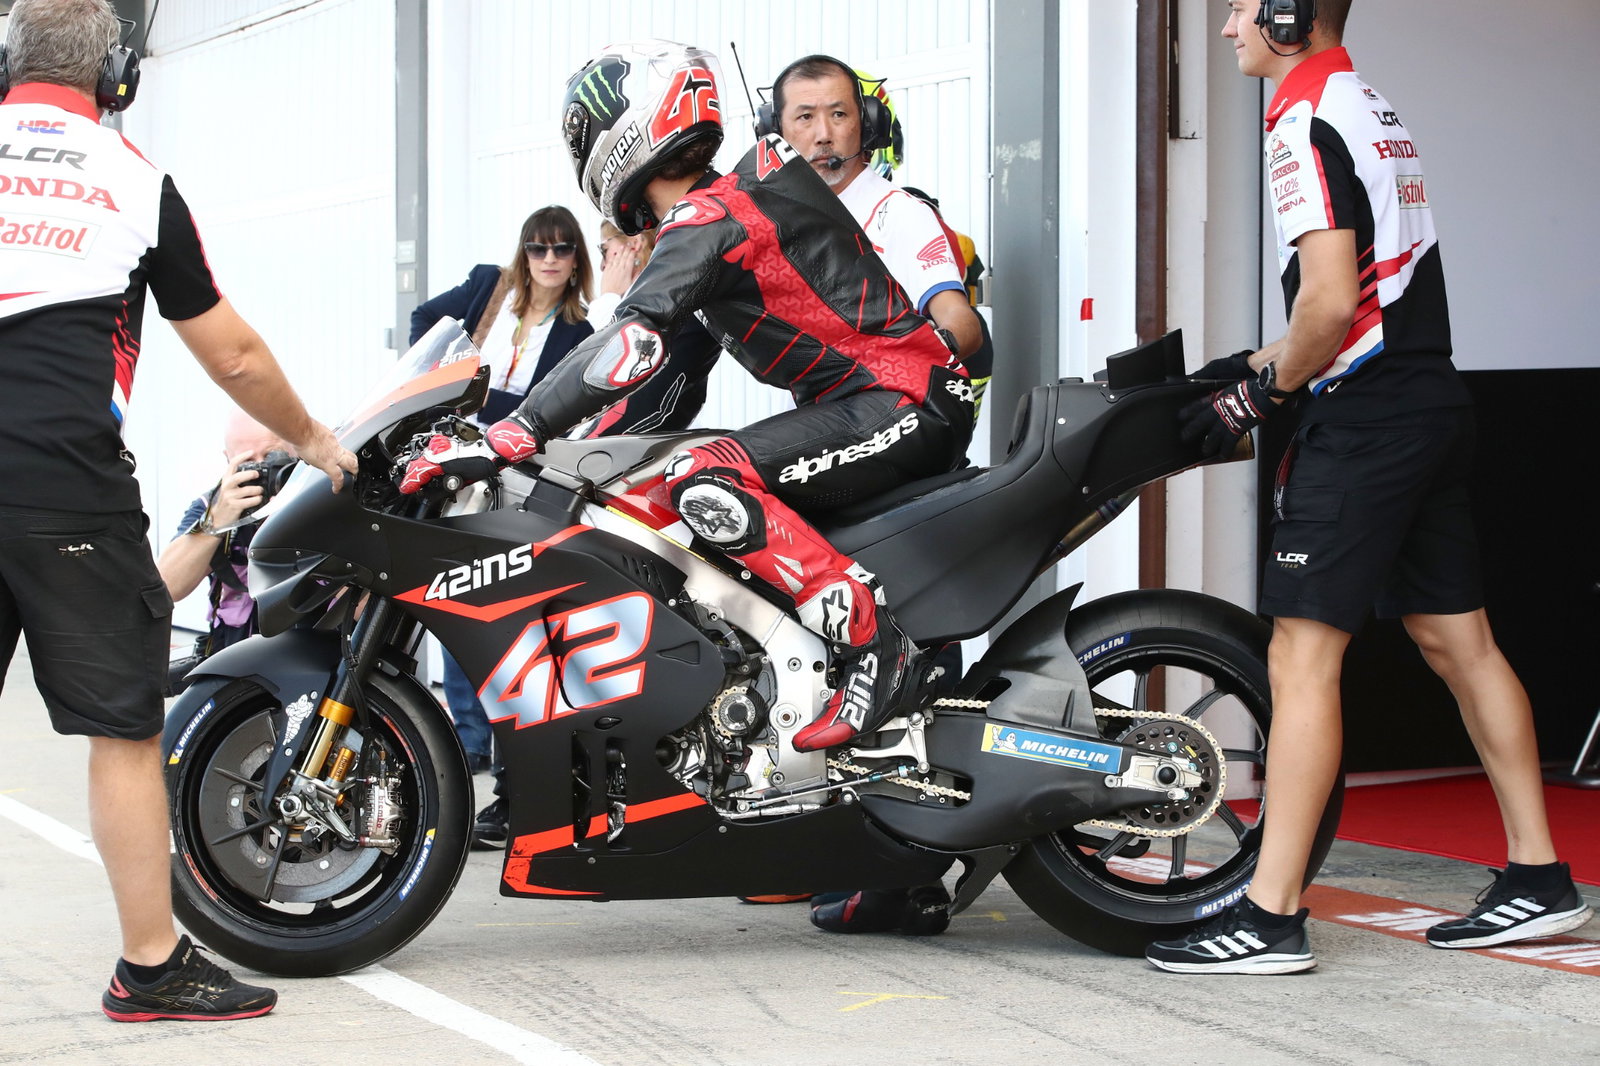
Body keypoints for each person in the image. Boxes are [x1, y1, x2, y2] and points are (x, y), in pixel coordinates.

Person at [1146, 0, 1592, 974]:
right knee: (1457, 638)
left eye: (1240, 9)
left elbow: (1331, 302)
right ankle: (1537, 876)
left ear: (1286, 15)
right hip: (1428, 399)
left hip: (1368, 422)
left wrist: (1261, 391)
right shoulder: (1365, 101)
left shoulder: (1301, 117)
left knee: (1301, 657)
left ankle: (1268, 915)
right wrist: (1250, 365)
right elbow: (1361, 303)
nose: (1226, 27)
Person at [399, 39, 974, 761]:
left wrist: (509, 435)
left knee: (704, 477)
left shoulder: (711, 217)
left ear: (623, 133)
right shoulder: (735, 204)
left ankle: (872, 643)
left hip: (903, 401)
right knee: (667, 486)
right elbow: (669, 377)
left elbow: (630, 343)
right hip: (881, 404)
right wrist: (567, 464)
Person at [0, 0, 356, 1020]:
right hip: (67, 485)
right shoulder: (133, 180)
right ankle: (150, 967)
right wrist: (318, 440)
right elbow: (232, 353)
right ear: (115, 72)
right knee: (122, 731)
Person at [745, 58, 994, 927]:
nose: (822, 134)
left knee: (907, 642)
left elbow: (959, 320)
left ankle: (905, 874)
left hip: (901, 440)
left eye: (839, 116)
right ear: (779, 131)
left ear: (865, 124)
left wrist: (929, 362)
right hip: (846, 438)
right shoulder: (778, 217)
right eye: (805, 117)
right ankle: (815, 829)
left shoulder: (893, 210)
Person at [408, 206, 595, 835]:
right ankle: (467, 750)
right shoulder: (488, 288)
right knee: (447, 609)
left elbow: (553, 409)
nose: (549, 260)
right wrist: (444, 383)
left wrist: (483, 394)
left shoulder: (579, 332)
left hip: (515, 485)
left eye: (562, 250)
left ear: (576, 262)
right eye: (539, 248)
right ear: (524, 251)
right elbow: (421, 326)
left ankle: (514, 773)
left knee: (505, 620)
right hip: (455, 474)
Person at [155, 412, 295, 687]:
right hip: (234, 661)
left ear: (296, 448)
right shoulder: (213, 507)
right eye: (246, 461)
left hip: (316, 657)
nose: (260, 470)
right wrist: (218, 520)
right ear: (227, 461)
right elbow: (166, 587)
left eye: (271, 456)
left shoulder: (324, 497)